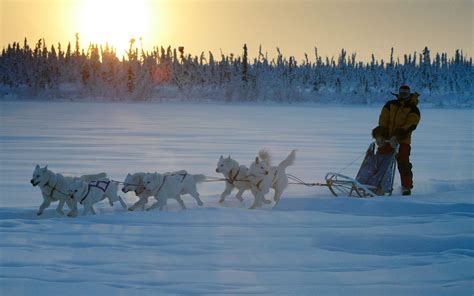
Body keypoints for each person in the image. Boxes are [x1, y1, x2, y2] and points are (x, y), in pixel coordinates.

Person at [372, 85, 421, 196]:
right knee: (380, 161)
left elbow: (410, 125)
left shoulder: (414, 109)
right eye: (401, 93)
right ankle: (378, 185)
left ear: (410, 94)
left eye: (406, 93)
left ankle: (406, 187)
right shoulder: (390, 104)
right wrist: (380, 136)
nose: (403, 95)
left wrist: (397, 137)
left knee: (403, 163)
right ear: (398, 93)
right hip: (387, 139)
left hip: (403, 141)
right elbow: (383, 121)